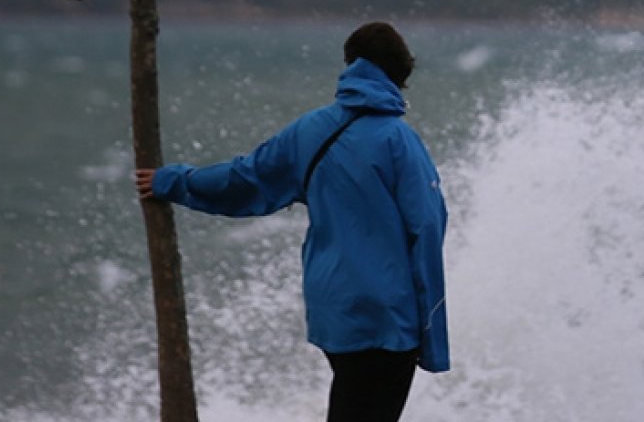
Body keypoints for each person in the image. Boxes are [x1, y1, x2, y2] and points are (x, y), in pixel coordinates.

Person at [135, 21, 449, 422]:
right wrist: (431, 336)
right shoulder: (398, 139)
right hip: (388, 313)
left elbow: (244, 180)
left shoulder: (311, 131)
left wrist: (173, 181)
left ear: (351, 65)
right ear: (398, 74)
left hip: (333, 307)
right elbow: (427, 227)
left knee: (351, 403)